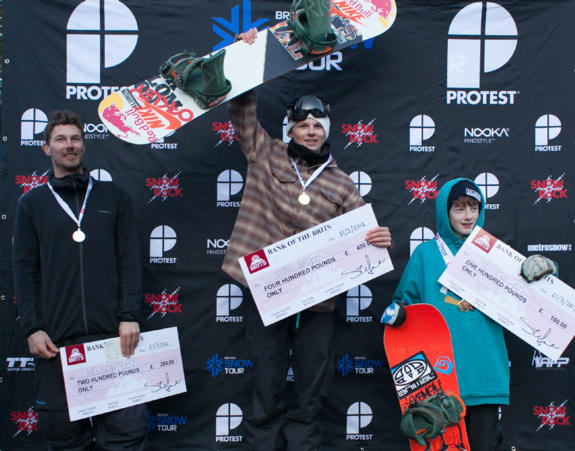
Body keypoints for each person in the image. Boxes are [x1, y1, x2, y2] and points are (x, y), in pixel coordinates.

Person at [219, 29, 393, 451]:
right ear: (291, 129)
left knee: (313, 384)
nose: (311, 131)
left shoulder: (341, 183)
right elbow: (242, 111)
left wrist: (378, 238)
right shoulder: (267, 153)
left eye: (318, 125)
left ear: (327, 130)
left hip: (317, 303)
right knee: (265, 380)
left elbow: (363, 241)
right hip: (268, 293)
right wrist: (247, 59)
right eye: (303, 124)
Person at [382, 178, 557, 451]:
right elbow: (405, 303)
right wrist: (398, 313)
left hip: (485, 375)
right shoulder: (426, 255)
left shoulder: (492, 252)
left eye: (473, 207)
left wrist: (547, 267)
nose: (468, 216)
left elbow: (532, 287)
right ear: (445, 211)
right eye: (459, 208)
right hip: (441, 379)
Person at [12, 110, 148, 450]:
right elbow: (24, 270)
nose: (68, 145)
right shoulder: (31, 204)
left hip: (113, 339)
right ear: (46, 148)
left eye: (75, 139)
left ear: (85, 146)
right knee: (64, 439)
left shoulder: (114, 198)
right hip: (56, 343)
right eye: (60, 139)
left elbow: (130, 262)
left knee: (126, 436)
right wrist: (32, 327)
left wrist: (130, 315)